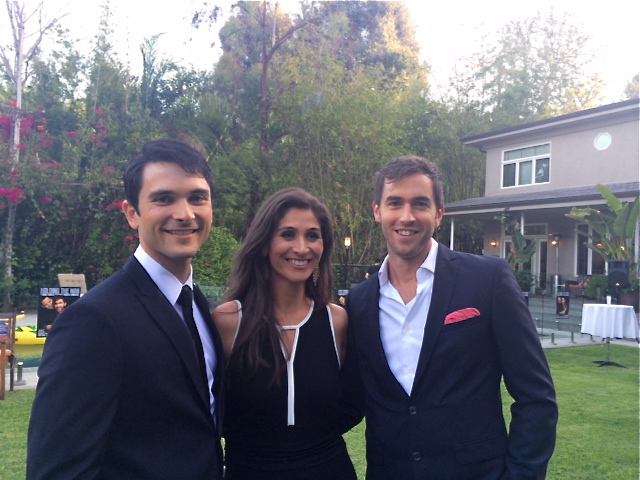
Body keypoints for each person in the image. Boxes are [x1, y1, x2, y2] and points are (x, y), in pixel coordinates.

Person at [346, 155, 558, 479]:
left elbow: (536, 397)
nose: (406, 216)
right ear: (377, 211)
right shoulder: (359, 302)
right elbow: (351, 402)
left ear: (439, 213)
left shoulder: (487, 280)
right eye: (394, 203)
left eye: (420, 203)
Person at [27, 139, 224, 480]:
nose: (185, 213)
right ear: (132, 213)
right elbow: (58, 469)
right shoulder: (92, 320)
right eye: (164, 199)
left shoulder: (200, 306)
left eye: (197, 197)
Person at [213, 187, 362, 480]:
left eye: (312, 236)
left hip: (329, 469)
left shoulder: (338, 321)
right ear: (264, 244)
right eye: (288, 234)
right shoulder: (228, 321)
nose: (302, 248)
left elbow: (353, 404)